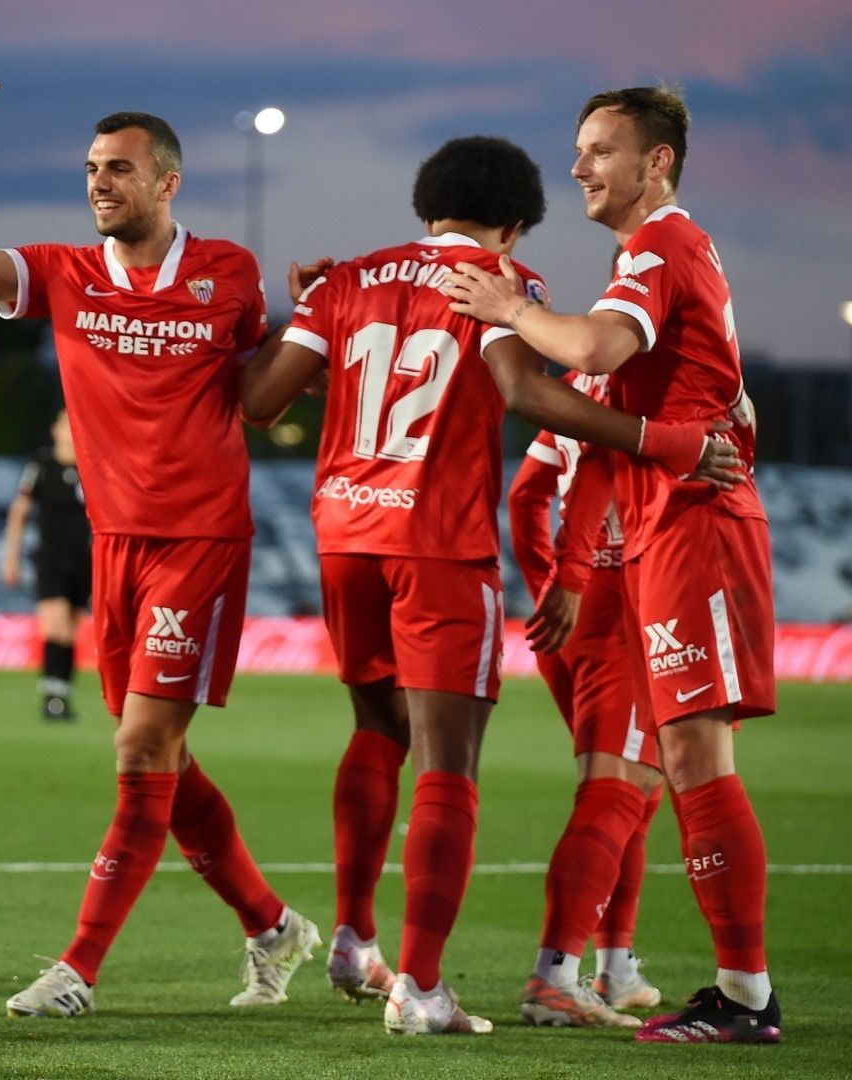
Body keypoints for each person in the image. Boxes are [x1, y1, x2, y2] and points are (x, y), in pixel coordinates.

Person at [240, 134, 740, 1035]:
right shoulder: (505, 282)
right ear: (512, 226)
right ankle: (422, 990)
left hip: (344, 532)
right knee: (448, 766)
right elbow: (531, 395)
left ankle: (355, 938)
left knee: (374, 725)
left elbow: (259, 401)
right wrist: (663, 441)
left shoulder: (345, 280)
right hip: (436, 541)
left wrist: (304, 315)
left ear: (426, 204)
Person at [0, 43, 320, 1017]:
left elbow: (261, 398)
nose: (101, 183)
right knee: (162, 763)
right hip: (115, 546)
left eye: (120, 168)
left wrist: (312, 321)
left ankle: (78, 968)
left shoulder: (228, 272)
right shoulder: (62, 272)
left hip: (201, 540)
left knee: (142, 749)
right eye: (93, 169)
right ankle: (274, 928)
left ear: (167, 182)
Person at [444, 85, 781, 1045]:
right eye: (580, 149)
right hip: (663, 531)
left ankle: (746, 998)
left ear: (657, 163)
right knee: (673, 761)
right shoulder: (666, 251)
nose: (581, 167)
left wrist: (512, 305)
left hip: (696, 527)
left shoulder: (662, 244)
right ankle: (717, 989)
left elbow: (596, 343)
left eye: (600, 151)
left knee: (691, 759)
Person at [506, 381, 666, 1026]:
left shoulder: (576, 390)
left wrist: (546, 582)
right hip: (624, 604)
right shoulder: (652, 391)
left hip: (572, 613)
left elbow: (525, 497)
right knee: (614, 790)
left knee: (639, 785)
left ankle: (616, 968)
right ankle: (555, 977)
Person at [1, 409, 91, 720]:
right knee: (54, 625)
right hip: (50, 559)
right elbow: (19, 510)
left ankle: (62, 695)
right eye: (65, 424)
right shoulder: (41, 465)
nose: (70, 431)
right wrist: (11, 557)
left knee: (69, 631)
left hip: (85, 560)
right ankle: (51, 696)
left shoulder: (92, 466)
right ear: (55, 430)